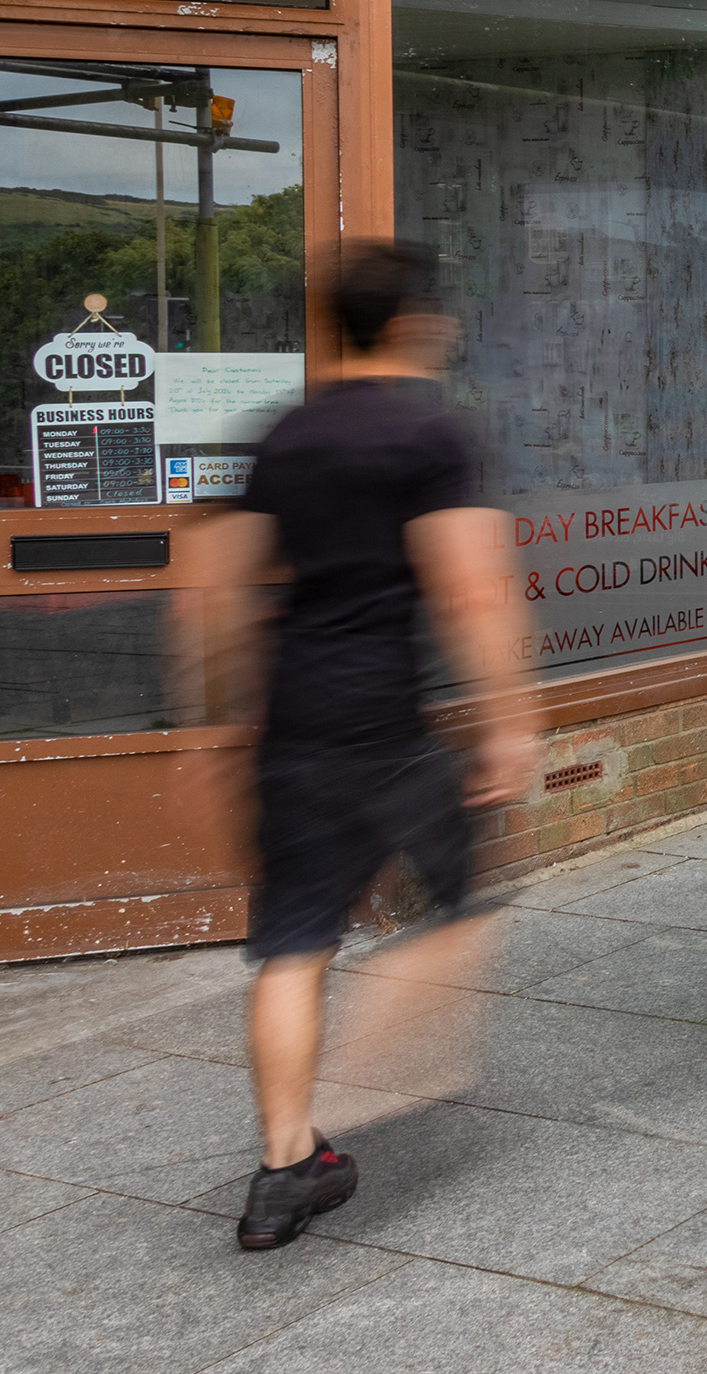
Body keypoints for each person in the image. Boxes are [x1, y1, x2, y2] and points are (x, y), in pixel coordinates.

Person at [196, 241, 534, 1252]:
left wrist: (223, 729)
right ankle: (386, 1063)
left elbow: (216, 599)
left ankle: (285, 1166)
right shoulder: (429, 432)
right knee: (466, 898)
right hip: (384, 727)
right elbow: (472, 589)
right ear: (413, 321)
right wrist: (510, 720)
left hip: (294, 726)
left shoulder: (282, 434)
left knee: (292, 945)